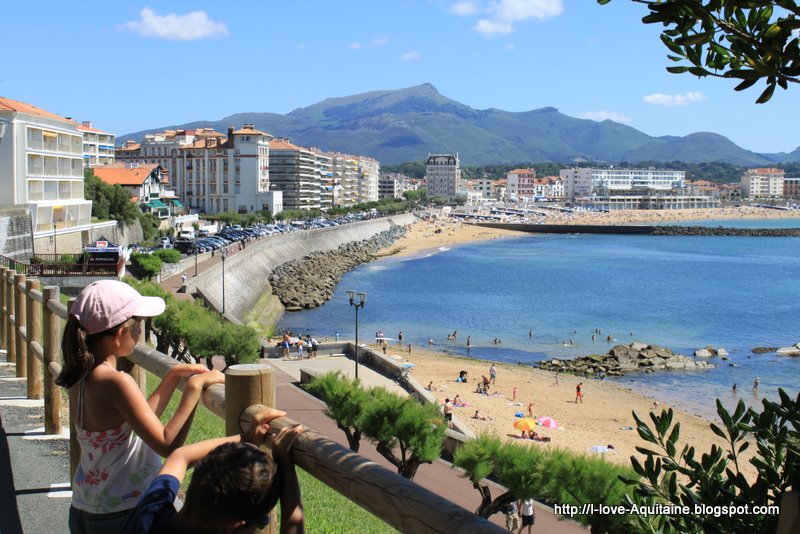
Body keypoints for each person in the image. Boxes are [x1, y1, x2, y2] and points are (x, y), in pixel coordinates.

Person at [56, 280, 225, 533]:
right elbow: (167, 444)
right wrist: (194, 387)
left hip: (86, 507)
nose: (140, 330)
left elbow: (135, 420)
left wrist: (172, 376)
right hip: (122, 511)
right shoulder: (116, 381)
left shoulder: (81, 374)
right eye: (138, 324)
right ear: (118, 335)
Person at [123, 408, 304, 534]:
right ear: (235, 526)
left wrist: (246, 437)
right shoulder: (152, 508)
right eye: (262, 522)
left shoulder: (149, 513)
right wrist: (287, 469)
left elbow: (180, 456)